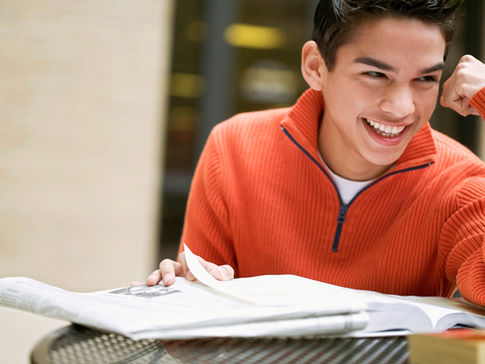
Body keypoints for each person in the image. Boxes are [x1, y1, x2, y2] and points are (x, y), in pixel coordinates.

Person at [145, 0, 485, 305]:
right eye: (375, 74)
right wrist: (182, 288)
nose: (401, 108)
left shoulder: (462, 182)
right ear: (315, 67)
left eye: (425, 79)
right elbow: (196, 323)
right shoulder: (233, 147)